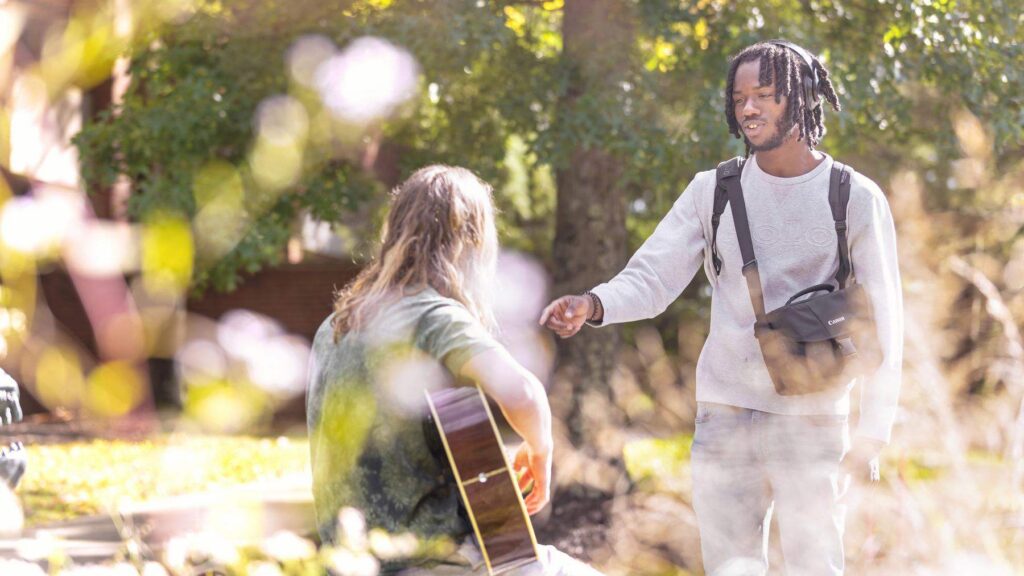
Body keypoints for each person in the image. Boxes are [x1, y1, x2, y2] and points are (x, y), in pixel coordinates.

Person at [540, 40, 903, 576]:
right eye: (739, 98)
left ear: (800, 97)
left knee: (816, 567)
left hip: (815, 423)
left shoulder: (853, 196)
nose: (749, 108)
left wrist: (873, 433)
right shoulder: (713, 191)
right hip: (724, 418)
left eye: (764, 95)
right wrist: (594, 304)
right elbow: (653, 277)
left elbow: (887, 325)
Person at [307, 165, 603, 575]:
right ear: (471, 243)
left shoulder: (335, 326)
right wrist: (541, 451)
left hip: (352, 561)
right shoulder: (430, 315)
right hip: (434, 562)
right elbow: (522, 393)